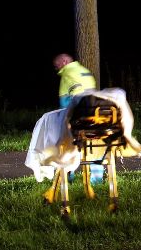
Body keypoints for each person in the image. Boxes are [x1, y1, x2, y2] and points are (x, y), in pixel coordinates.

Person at [52, 53, 102, 184]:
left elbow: (64, 105)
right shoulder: (85, 71)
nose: (57, 69)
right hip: (96, 120)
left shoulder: (66, 75)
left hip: (78, 123)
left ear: (64, 62)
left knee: (62, 137)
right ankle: (97, 178)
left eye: (57, 66)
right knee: (95, 145)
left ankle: (68, 174)